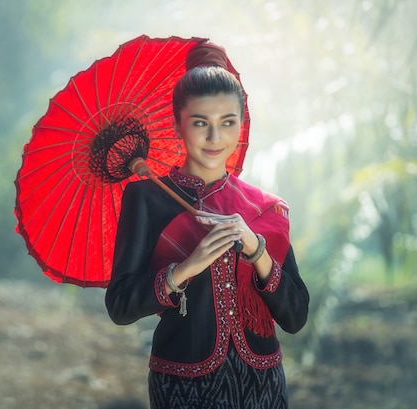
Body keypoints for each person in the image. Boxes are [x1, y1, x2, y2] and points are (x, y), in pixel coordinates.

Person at [105, 40, 310, 409]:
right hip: (182, 383)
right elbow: (120, 306)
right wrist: (185, 268)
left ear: (241, 123)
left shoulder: (261, 209)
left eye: (227, 123)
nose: (215, 139)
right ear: (176, 124)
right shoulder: (147, 198)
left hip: (262, 381)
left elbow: (295, 317)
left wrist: (255, 249)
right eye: (200, 123)